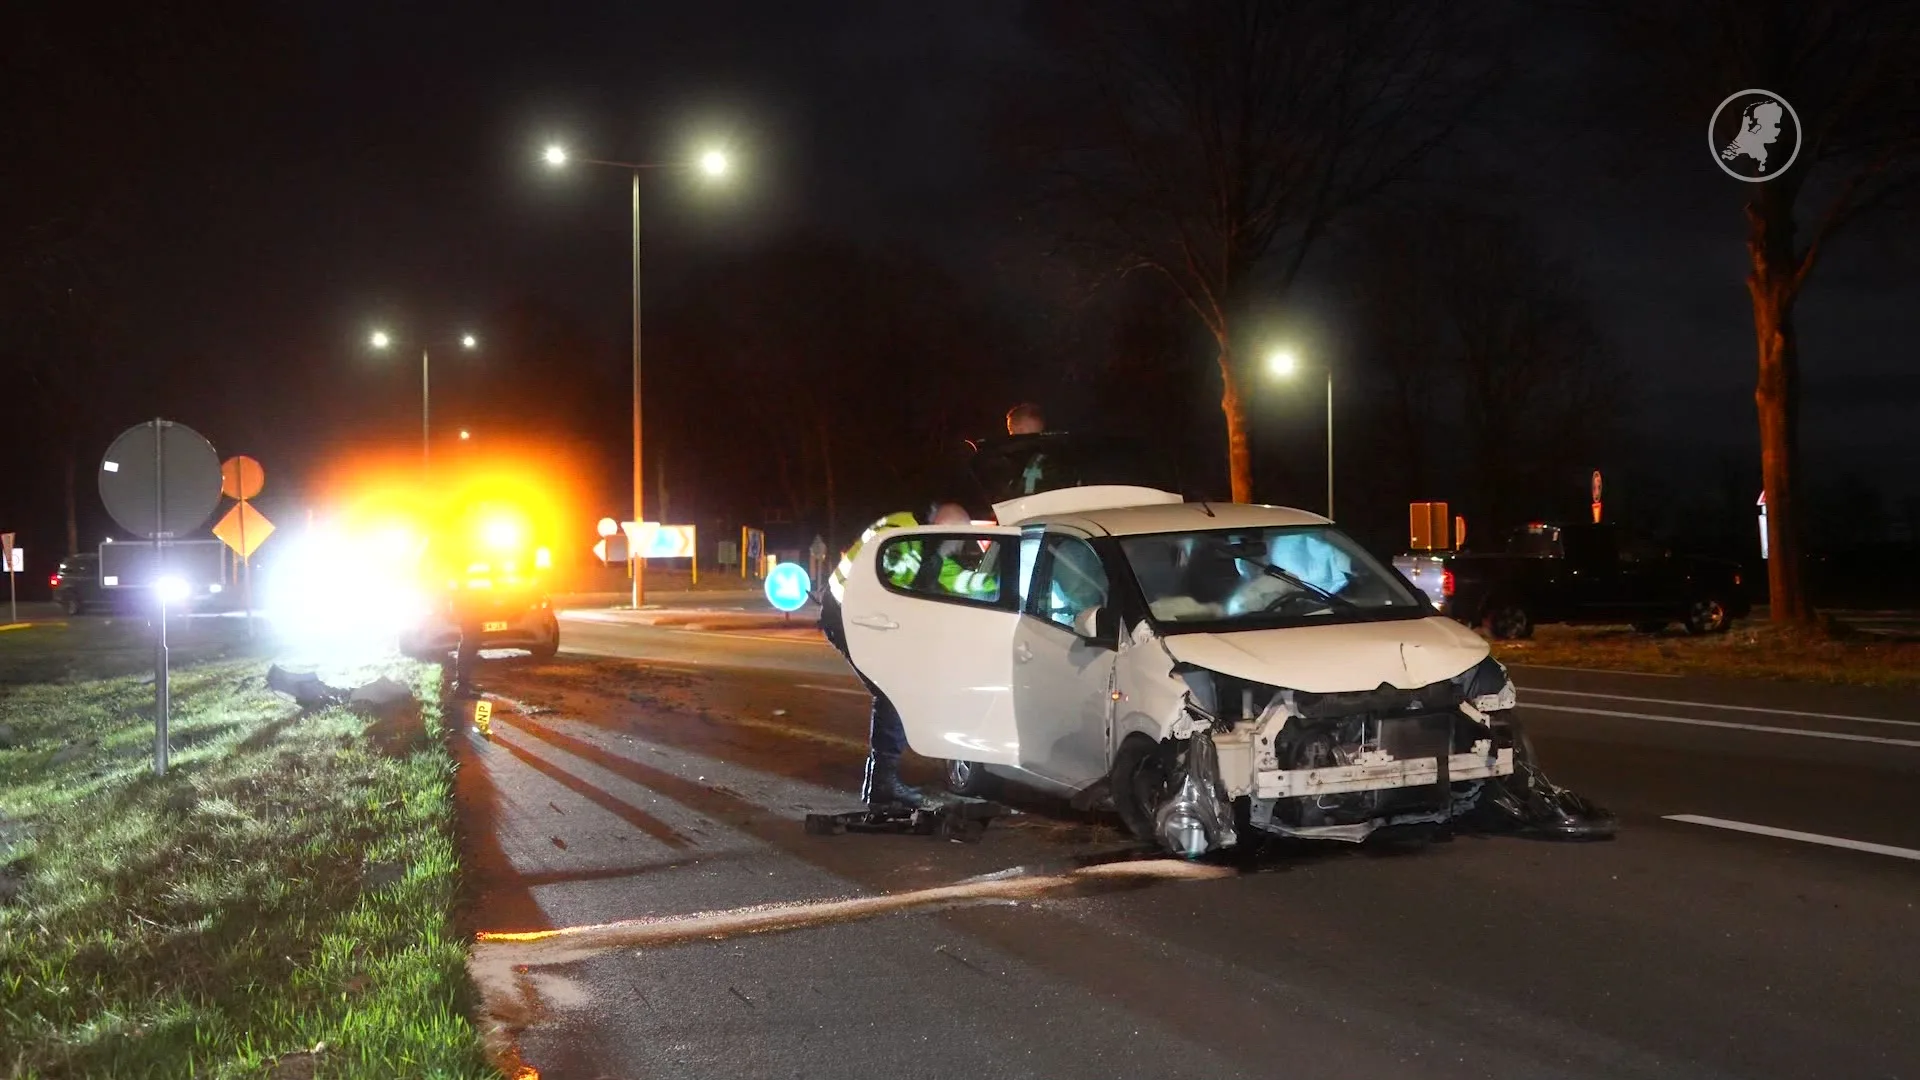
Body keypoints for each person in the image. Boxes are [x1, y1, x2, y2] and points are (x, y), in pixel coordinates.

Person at [821, 501, 991, 810]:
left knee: (895, 692)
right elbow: (895, 582)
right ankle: (881, 785)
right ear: (942, 527)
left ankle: (881, 783)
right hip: (846, 615)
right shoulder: (900, 532)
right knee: (892, 693)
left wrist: (1004, 587)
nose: (957, 548)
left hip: (864, 618)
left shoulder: (926, 548)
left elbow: (962, 583)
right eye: (955, 539)